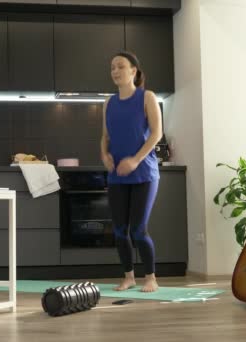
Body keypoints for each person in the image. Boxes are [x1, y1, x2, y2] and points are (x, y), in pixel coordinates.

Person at [101, 51, 163, 292]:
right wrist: (104, 155)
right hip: (117, 174)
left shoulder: (147, 97)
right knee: (119, 231)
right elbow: (104, 137)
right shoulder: (108, 102)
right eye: (112, 67)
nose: (115, 71)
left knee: (138, 230)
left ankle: (150, 277)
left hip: (144, 174)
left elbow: (156, 134)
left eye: (120, 66)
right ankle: (128, 276)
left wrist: (136, 160)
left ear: (133, 71)